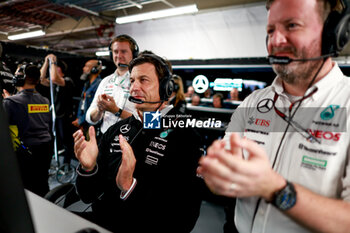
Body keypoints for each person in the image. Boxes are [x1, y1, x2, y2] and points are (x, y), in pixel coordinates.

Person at [198, 0, 350, 232]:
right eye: (270, 30)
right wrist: (220, 174)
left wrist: (275, 189)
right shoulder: (254, 103)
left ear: (333, 33)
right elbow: (227, 171)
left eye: (292, 25)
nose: (276, 41)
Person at [73, 53, 203, 233]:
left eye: (143, 80)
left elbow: (183, 220)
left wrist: (130, 188)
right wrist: (88, 169)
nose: (134, 87)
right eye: (132, 80)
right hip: (100, 222)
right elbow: (88, 196)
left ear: (166, 89)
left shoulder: (186, 138)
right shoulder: (117, 130)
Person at [3, 64, 52, 197]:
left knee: (26, 187)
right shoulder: (45, 100)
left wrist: (7, 102)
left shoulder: (11, 103)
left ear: (19, 79)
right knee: (42, 183)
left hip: (26, 151)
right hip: (46, 149)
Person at [85, 34, 137, 138]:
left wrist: (116, 110)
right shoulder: (106, 81)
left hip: (132, 140)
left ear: (133, 54)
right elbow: (89, 117)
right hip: (106, 139)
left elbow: (150, 121)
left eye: (124, 51)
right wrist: (99, 110)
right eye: (115, 51)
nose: (119, 55)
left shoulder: (140, 80)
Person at [40, 54, 75, 165]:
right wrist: (46, 62)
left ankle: (66, 164)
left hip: (64, 116)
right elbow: (41, 79)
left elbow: (55, 78)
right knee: (51, 139)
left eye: (54, 67)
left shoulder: (67, 81)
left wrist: (53, 62)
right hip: (55, 115)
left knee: (66, 141)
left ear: (60, 69)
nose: (52, 69)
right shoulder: (53, 83)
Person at [72, 60, 102, 135]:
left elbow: (93, 106)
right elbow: (82, 102)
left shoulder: (99, 84)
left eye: (87, 66)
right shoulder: (87, 84)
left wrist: (80, 121)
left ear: (94, 69)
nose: (83, 68)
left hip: (91, 123)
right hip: (84, 122)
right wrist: (79, 118)